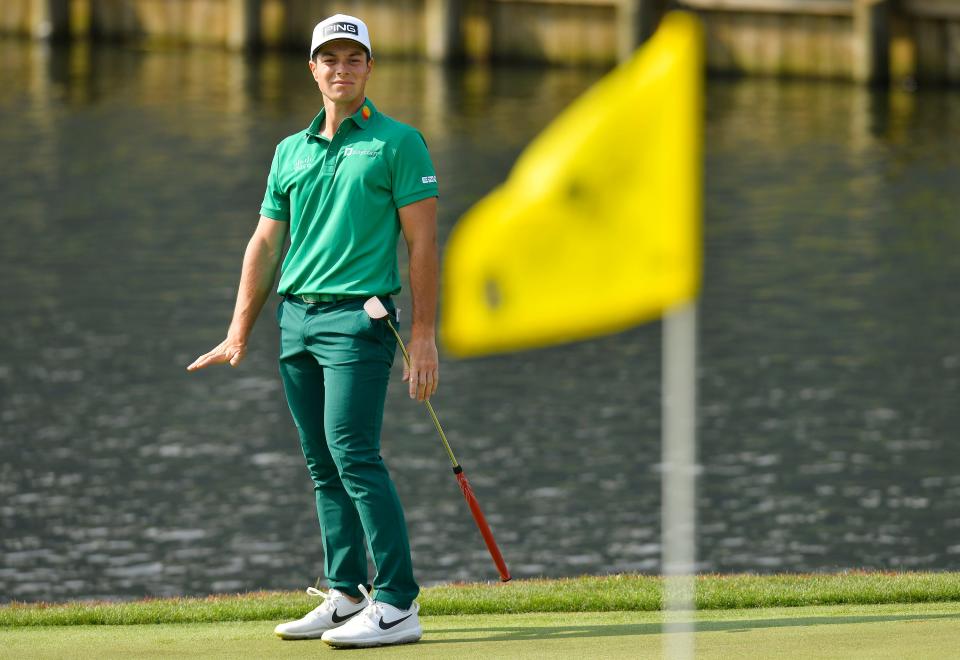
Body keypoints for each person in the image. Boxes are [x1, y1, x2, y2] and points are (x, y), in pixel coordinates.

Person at [187, 13, 438, 648]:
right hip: (295, 319)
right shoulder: (289, 150)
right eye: (330, 58)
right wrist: (239, 329)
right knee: (321, 462)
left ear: (369, 69)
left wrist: (428, 335)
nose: (341, 68)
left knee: (355, 455)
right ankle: (347, 591)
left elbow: (424, 245)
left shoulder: (398, 142)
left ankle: (399, 603)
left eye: (354, 58)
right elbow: (266, 244)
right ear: (313, 69)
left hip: (361, 319)